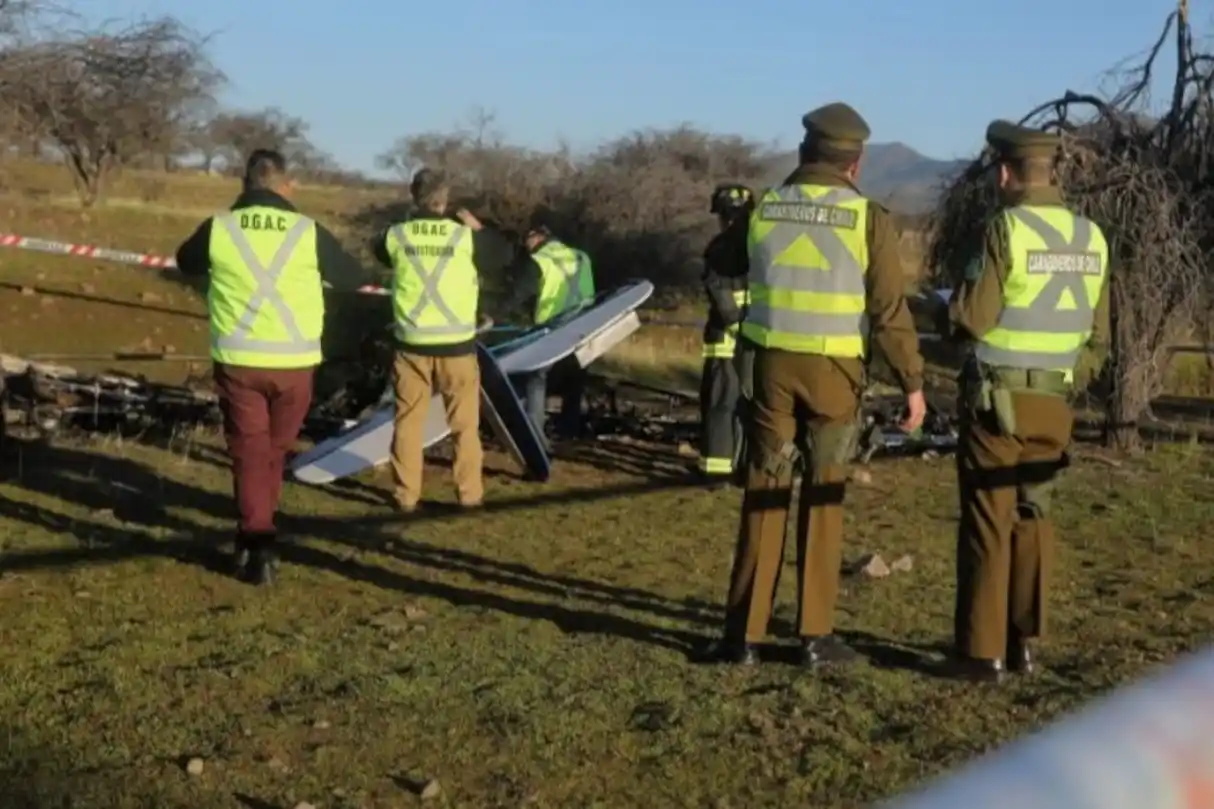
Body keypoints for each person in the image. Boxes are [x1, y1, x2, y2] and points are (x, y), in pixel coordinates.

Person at [701, 102, 927, 666]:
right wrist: (913, 382)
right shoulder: (868, 217)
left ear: (804, 153)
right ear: (856, 164)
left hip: (769, 371)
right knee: (824, 499)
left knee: (764, 491)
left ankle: (743, 636)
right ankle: (814, 635)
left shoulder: (767, 208)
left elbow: (719, 257)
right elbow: (889, 309)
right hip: (835, 374)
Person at [942, 121, 1110, 682]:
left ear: (1008, 173)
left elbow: (974, 315)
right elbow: (1099, 337)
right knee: (1033, 517)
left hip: (998, 400)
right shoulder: (1092, 238)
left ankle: (980, 650)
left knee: (988, 518)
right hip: (1055, 402)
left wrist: (946, 313)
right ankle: (1024, 643)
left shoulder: (1005, 230)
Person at [174, 148, 373, 585]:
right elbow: (354, 277)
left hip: (239, 359)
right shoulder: (307, 231)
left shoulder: (219, 228)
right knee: (274, 452)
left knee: (249, 452)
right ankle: (260, 533)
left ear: (244, 184)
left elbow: (184, 262)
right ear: (285, 184)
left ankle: (256, 539)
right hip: (295, 363)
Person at [369, 168, 514, 513]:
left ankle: (406, 495)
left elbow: (378, 248)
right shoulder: (464, 238)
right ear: (445, 199)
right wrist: (475, 226)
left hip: (411, 344)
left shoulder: (397, 235)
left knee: (408, 421)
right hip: (457, 345)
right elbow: (504, 255)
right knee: (464, 425)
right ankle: (469, 494)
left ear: (413, 195)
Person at [510, 210, 596, 441]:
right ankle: (570, 429)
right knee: (575, 380)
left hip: (550, 329)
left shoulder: (539, 261)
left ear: (537, 236)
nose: (525, 246)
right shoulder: (581, 257)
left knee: (536, 379)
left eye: (526, 239)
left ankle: (534, 434)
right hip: (582, 326)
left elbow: (519, 295)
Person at [697, 183, 754, 484]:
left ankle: (716, 472)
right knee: (750, 405)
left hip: (725, 339)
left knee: (720, 404)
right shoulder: (764, 246)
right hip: (757, 338)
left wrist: (734, 321)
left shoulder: (718, 248)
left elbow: (719, 294)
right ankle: (746, 468)